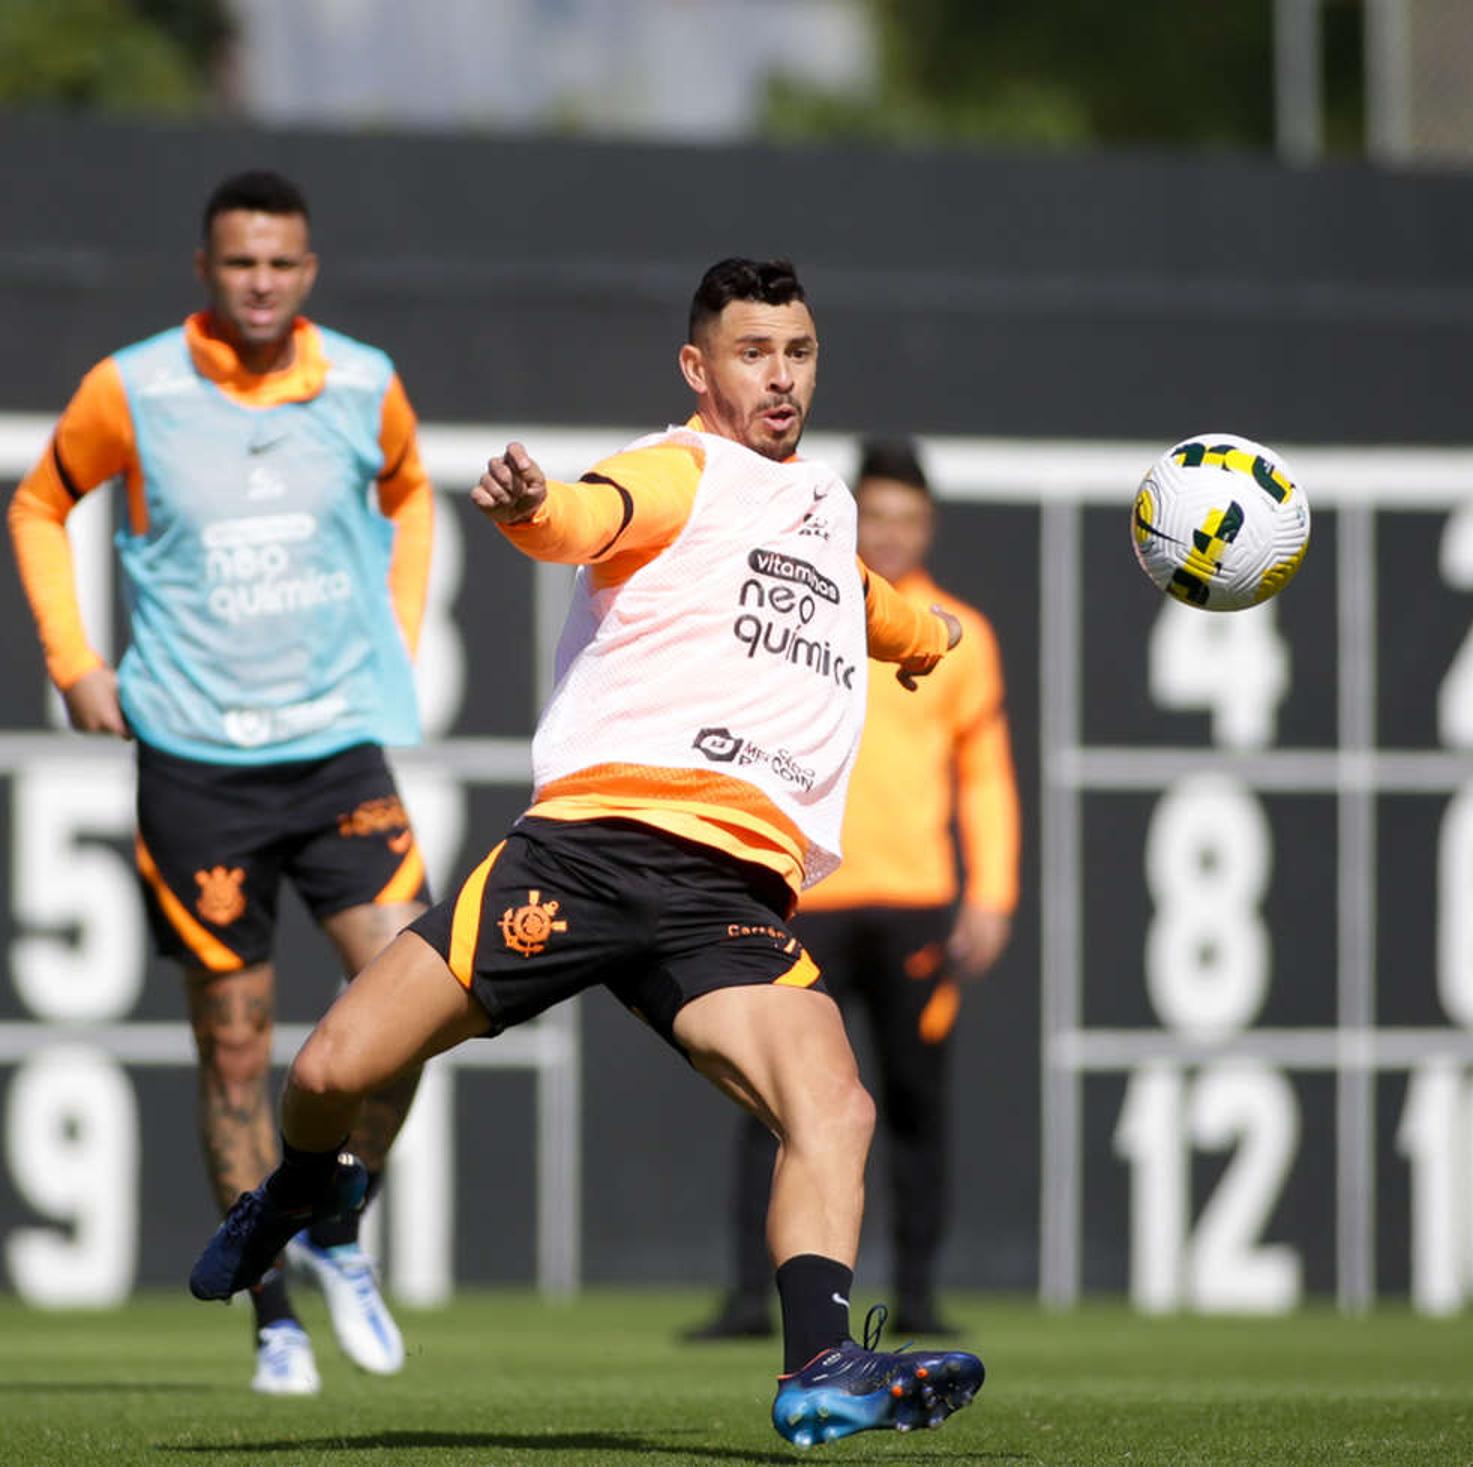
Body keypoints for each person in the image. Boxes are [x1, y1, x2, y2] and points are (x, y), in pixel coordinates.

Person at [187, 257, 988, 1446]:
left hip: (728, 890)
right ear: (697, 368)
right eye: (754, 353)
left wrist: (923, 632)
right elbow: (586, 517)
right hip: (584, 854)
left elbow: (846, 594)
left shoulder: (820, 504)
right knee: (326, 1074)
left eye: (800, 352)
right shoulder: (675, 468)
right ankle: (301, 1195)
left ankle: (821, 1363)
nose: (781, 376)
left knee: (839, 1108)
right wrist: (528, 508)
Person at [7, 169, 432, 1395]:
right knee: (238, 1052)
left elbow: (410, 494)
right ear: (206, 269)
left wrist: (393, 637)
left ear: (310, 270)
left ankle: (340, 1227)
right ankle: (273, 1315)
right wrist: (75, 662)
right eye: (240, 262)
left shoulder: (362, 381)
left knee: (408, 1000)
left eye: (282, 263)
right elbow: (40, 504)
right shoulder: (130, 386)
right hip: (195, 763)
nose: (262, 283)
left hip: (335, 748)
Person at [686, 435, 1018, 1342]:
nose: (894, 534)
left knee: (916, 1102)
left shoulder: (964, 637)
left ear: (931, 526)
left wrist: (992, 893)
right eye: (878, 515)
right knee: (773, 1100)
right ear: (847, 516)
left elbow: (985, 775)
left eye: (911, 519)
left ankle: (916, 1294)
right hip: (804, 895)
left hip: (915, 898)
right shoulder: (798, 611)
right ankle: (753, 1299)